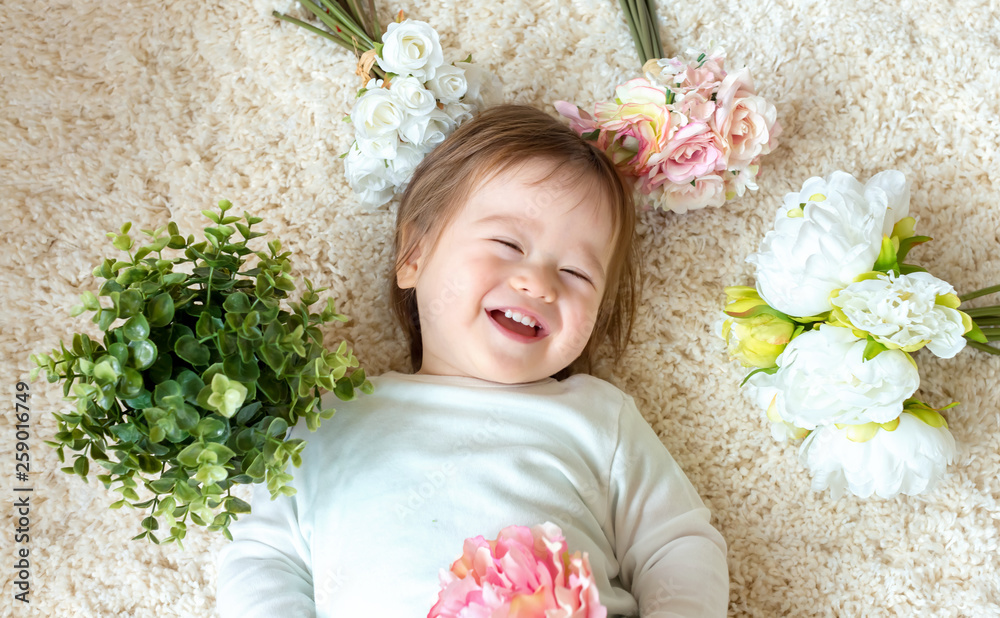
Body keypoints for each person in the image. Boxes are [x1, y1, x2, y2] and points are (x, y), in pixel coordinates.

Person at [216, 105, 729, 616]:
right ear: (414, 255)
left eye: (577, 273)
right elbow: (262, 557)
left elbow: (678, 544)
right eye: (508, 244)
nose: (538, 282)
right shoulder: (329, 417)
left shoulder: (596, 417)